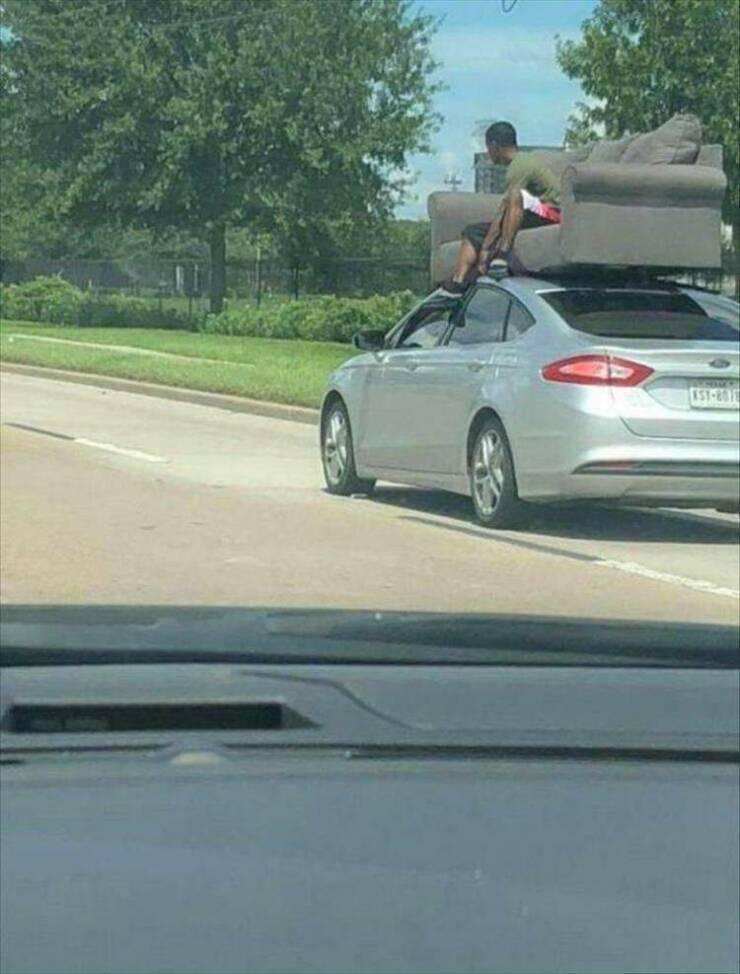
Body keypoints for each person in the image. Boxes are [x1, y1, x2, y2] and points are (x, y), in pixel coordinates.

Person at [442, 121, 561, 295]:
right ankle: (459, 281)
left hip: (552, 214)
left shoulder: (520, 166)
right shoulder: (518, 164)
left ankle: (503, 254)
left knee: (514, 196)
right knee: (473, 231)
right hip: (535, 213)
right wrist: (486, 242)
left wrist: (486, 249)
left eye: (488, 148)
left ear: (494, 145)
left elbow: (506, 208)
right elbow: (504, 212)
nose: (488, 153)